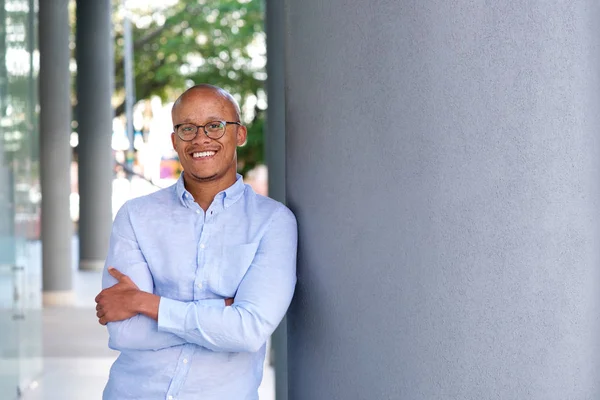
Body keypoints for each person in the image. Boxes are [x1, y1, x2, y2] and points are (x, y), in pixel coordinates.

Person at [94, 84, 297, 400]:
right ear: (175, 141)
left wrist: (145, 303)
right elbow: (124, 331)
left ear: (239, 134)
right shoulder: (136, 216)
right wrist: (220, 315)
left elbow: (248, 331)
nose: (201, 138)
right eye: (187, 128)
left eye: (215, 125)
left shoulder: (273, 222)